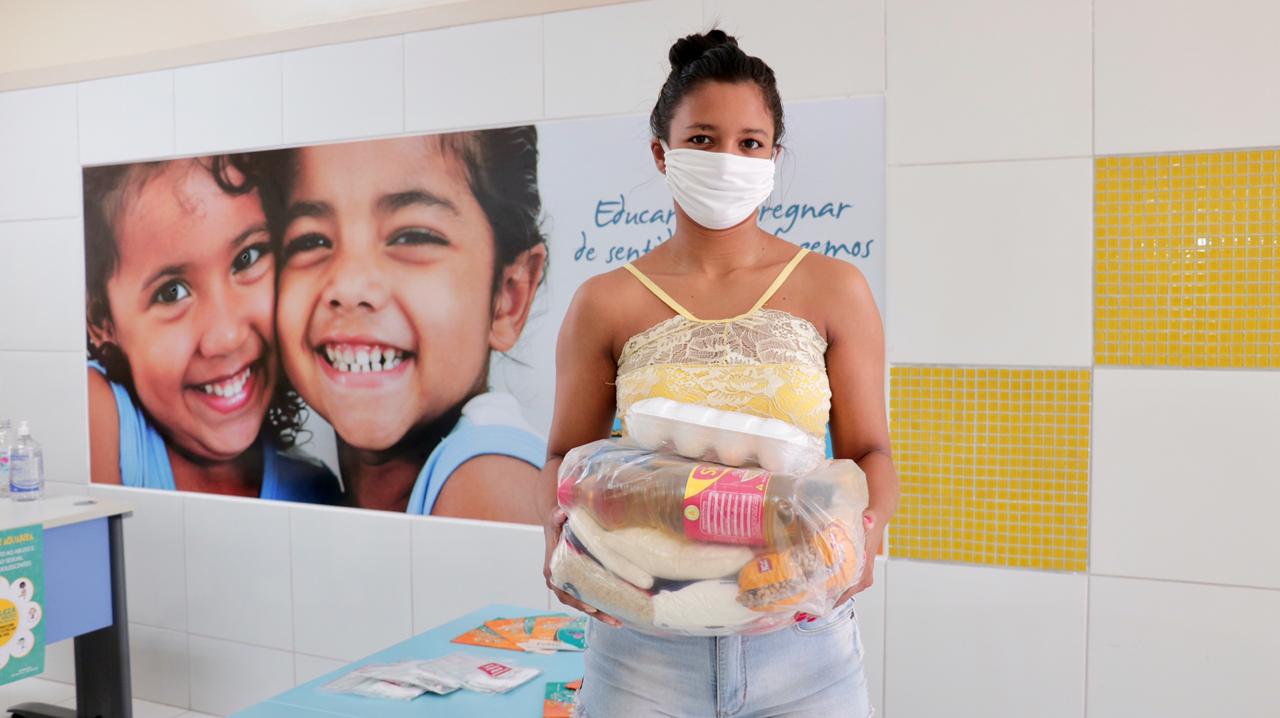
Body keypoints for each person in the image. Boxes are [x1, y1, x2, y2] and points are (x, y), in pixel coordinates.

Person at [540, 31, 899, 716]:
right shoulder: (605, 302)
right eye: (702, 139)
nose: (728, 159)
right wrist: (557, 529)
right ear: (662, 153)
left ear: (773, 158)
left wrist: (864, 535)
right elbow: (563, 457)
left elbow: (869, 453)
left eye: (750, 142)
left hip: (804, 650)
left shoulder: (834, 288)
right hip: (641, 656)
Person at [266, 128, 548, 521]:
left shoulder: (488, 482)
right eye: (310, 241)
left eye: (412, 235)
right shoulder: (315, 487)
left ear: (508, 296)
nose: (349, 287)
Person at [84, 157, 341, 503]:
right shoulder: (99, 416)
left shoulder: (313, 489)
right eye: (171, 292)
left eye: (248, 258)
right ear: (101, 321)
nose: (226, 338)